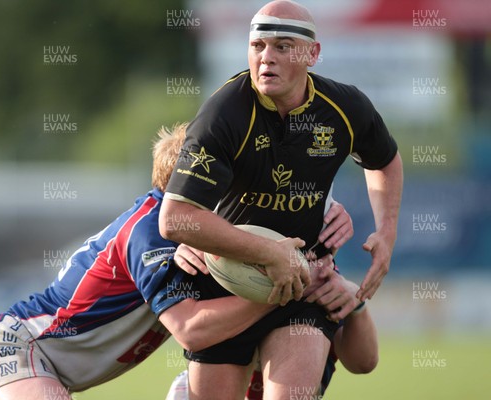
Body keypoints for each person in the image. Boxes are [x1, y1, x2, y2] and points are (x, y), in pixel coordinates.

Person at [0, 122, 354, 400]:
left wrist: (329, 210)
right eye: (220, 176)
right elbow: (191, 332)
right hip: (18, 348)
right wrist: (281, 290)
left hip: (51, 364)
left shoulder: (197, 231)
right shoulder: (152, 231)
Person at [159, 1, 403, 398]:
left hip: (301, 288)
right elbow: (174, 219)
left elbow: (385, 160)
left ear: (312, 54)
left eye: (283, 46)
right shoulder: (223, 114)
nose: (266, 58)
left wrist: (387, 231)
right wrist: (270, 253)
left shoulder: (345, 107)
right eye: (258, 46)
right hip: (227, 285)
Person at [165, 266, 379, 400]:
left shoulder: (319, 279)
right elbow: (191, 331)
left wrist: (356, 302)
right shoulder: (219, 274)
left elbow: (363, 363)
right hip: (199, 388)